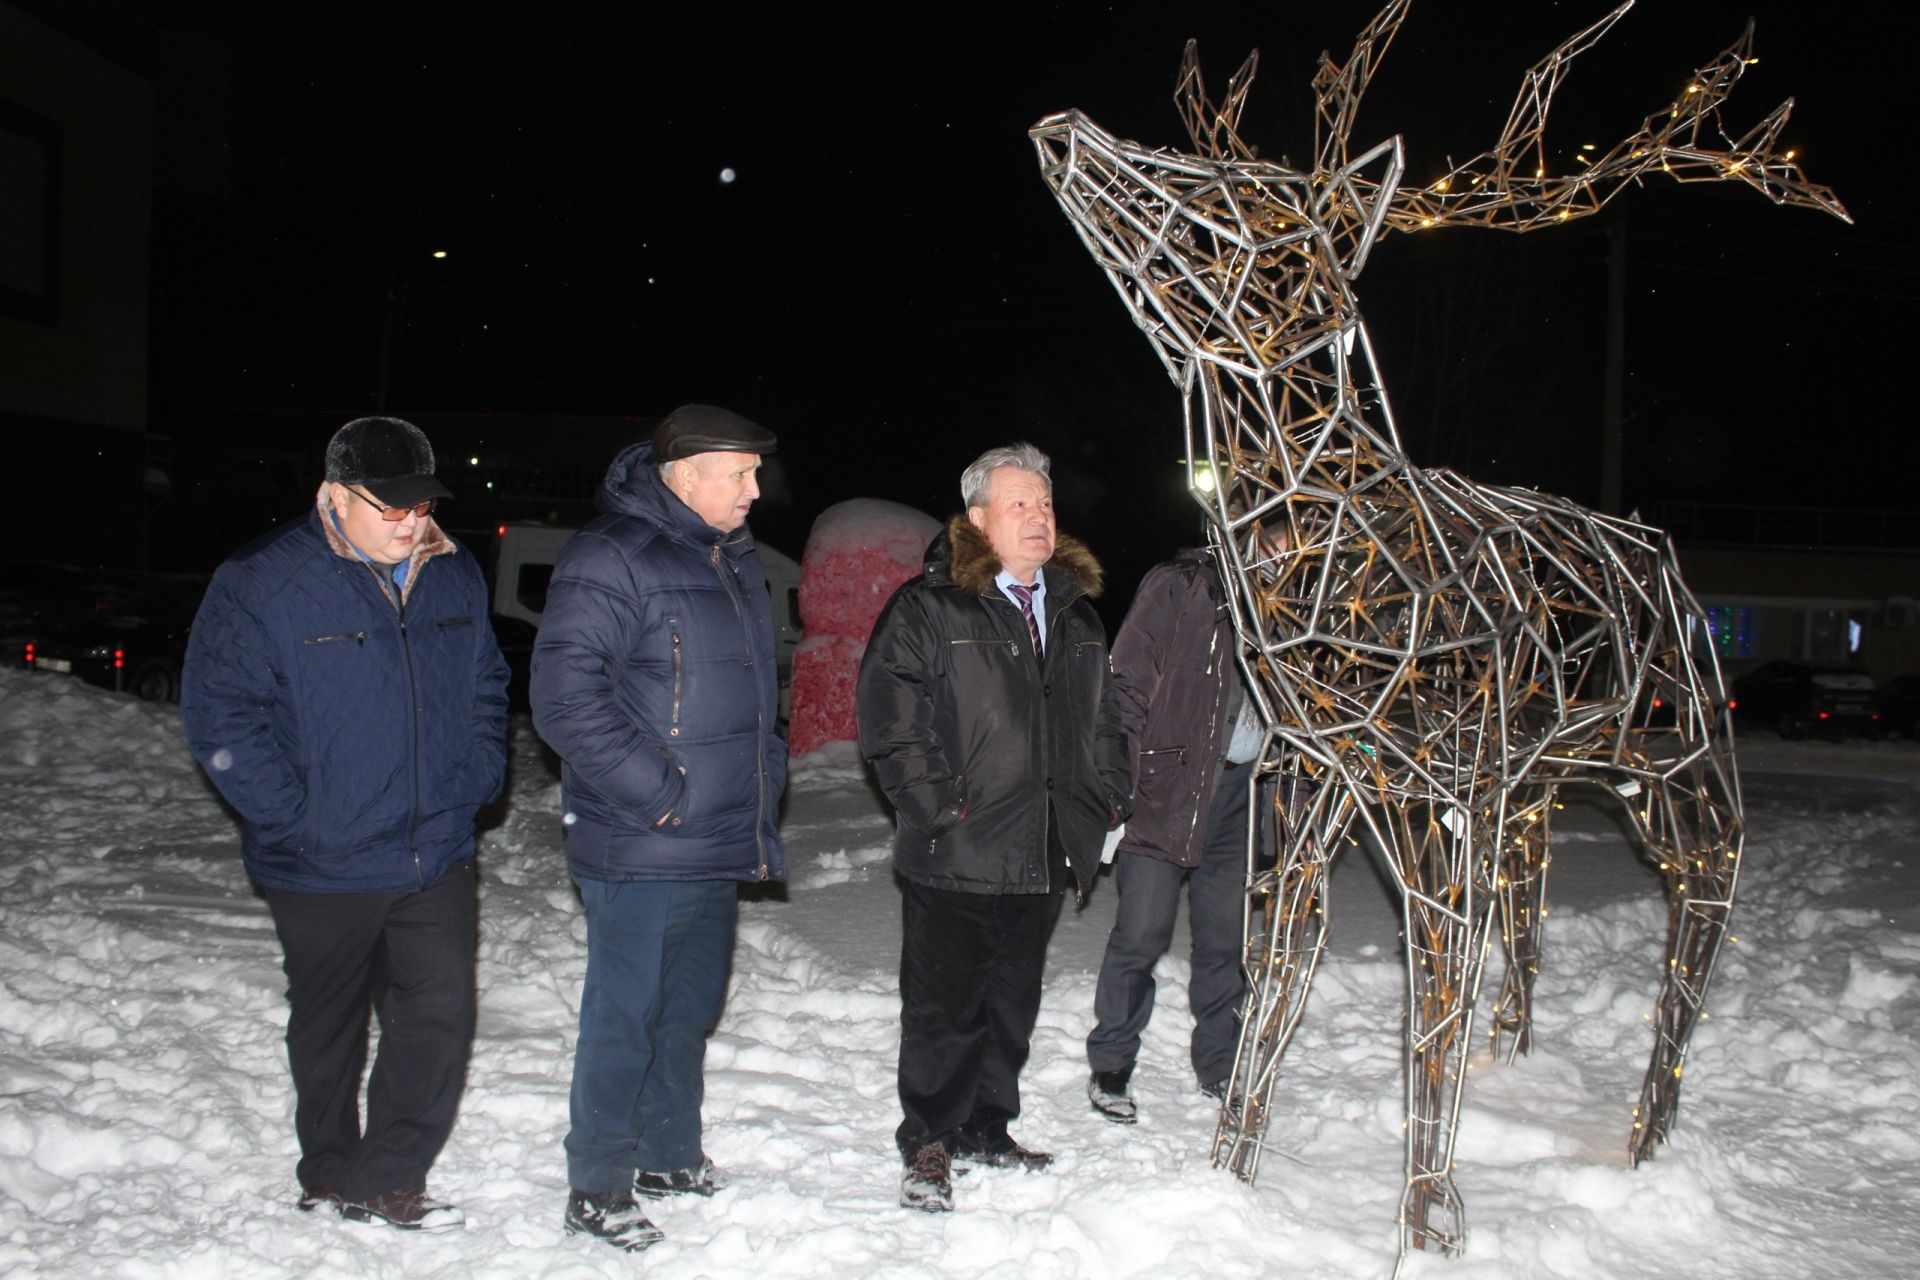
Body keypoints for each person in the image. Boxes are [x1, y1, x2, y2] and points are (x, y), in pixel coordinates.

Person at [181, 416, 509, 1232]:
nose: (409, 523)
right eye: (388, 507)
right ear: (333, 495)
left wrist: (473, 779)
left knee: (437, 1015)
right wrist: (297, 817)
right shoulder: (262, 580)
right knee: (327, 1022)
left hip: (433, 847)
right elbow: (223, 716)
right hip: (319, 857)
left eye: (420, 506)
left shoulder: (454, 570)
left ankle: (390, 1174)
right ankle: (328, 1165)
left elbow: (486, 685)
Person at [531, 404, 788, 1253]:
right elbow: (566, 698)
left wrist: (754, 788)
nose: (756, 489)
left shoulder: (731, 557)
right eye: (739, 472)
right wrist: (661, 794)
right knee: (625, 1013)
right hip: (643, 836)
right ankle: (598, 1182)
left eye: (757, 472)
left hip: (713, 834)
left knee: (685, 1010)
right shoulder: (612, 556)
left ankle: (668, 1152)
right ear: (683, 475)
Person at [856, 442, 1122, 1213]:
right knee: (945, 1005)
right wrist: (937, 805)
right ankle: (930, 1141)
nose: (1038, 518)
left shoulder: (1075, 611)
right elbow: (890, 720)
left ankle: (985, 1127)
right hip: (961, 845)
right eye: (1018, 505)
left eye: (1044, 504)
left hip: (1043, 843)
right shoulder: (930, 606)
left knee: (1012, 1001)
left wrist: (1107, 797)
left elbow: (1105, 721)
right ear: (977, 520)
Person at [1085, 546, 1269, 1123]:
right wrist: (1117, 783)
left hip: (1242, 793)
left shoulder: (1290, 600)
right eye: (1277, 531)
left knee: (1225, 941)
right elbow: (1126, 686)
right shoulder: (1183, 583)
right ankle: (1111, 1066)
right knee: (1141, 933)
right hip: (1165, 789)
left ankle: (1220, 1066)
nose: (1289, 544)